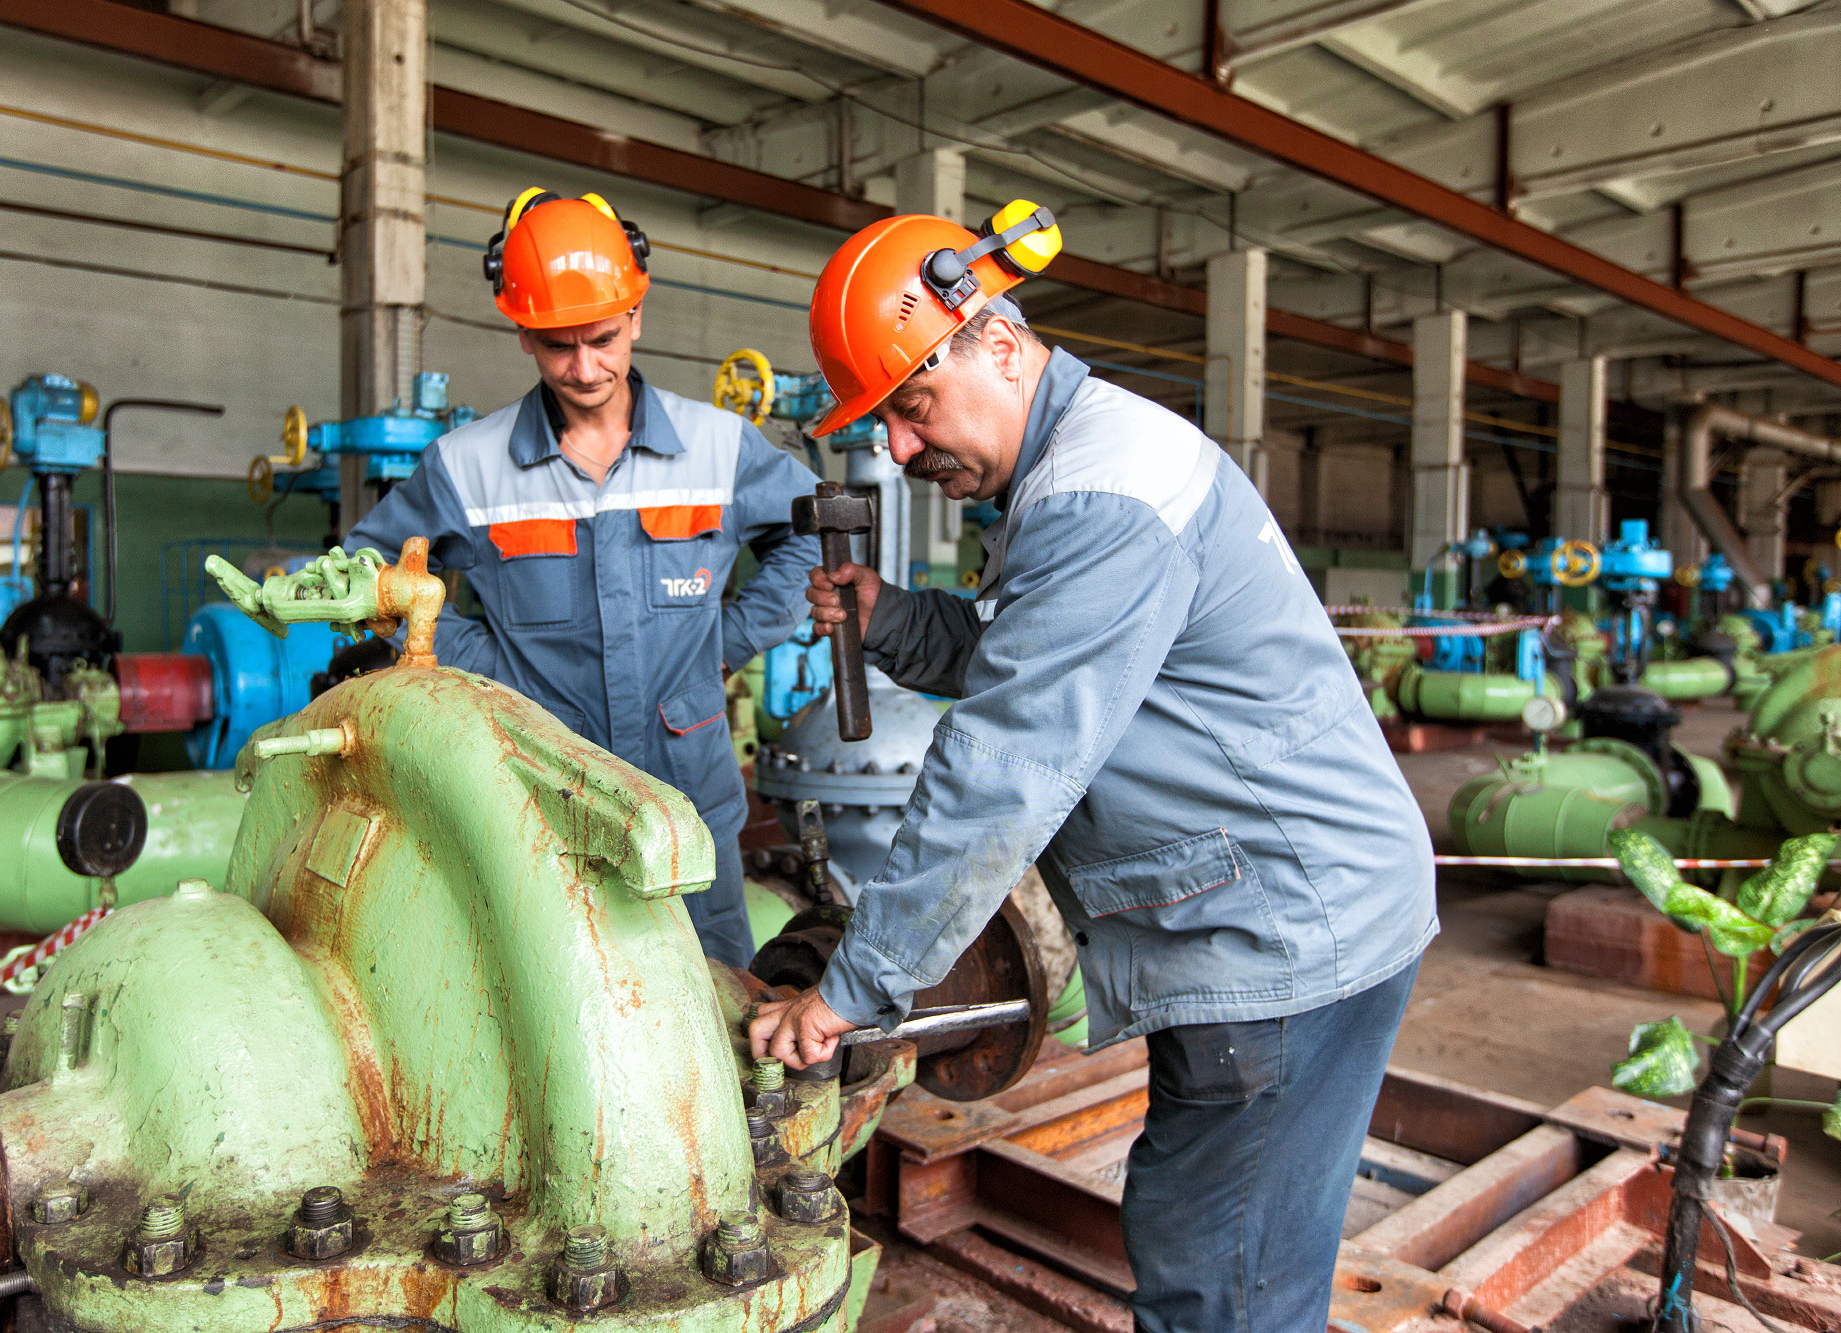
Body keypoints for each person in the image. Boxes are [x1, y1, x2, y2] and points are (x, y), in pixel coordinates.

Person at [749, 202, 1437, 1332]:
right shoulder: (1073, 470)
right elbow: (1034, 658)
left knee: (1220, 1271)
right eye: (885, 422)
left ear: (1000, 342)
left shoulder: (1097, 496)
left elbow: (1003, 767)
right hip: (1283, 901)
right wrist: (890, 620)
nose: (901, 451)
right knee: (1216, 1238)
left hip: (1283, 928)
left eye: (911, 407)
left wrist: (852, 989)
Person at [345, 187, 821, 966]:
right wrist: (479, 663)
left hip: (687, 803)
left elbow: (810, 539)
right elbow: (371, 570)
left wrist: (726, 642)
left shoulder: (719, 447)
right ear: (522, 334)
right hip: (537, 800)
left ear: (637, 313)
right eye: (557, 343)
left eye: (603, 337)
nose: (585, 366)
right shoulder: (469, 466)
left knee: (717, 1002)